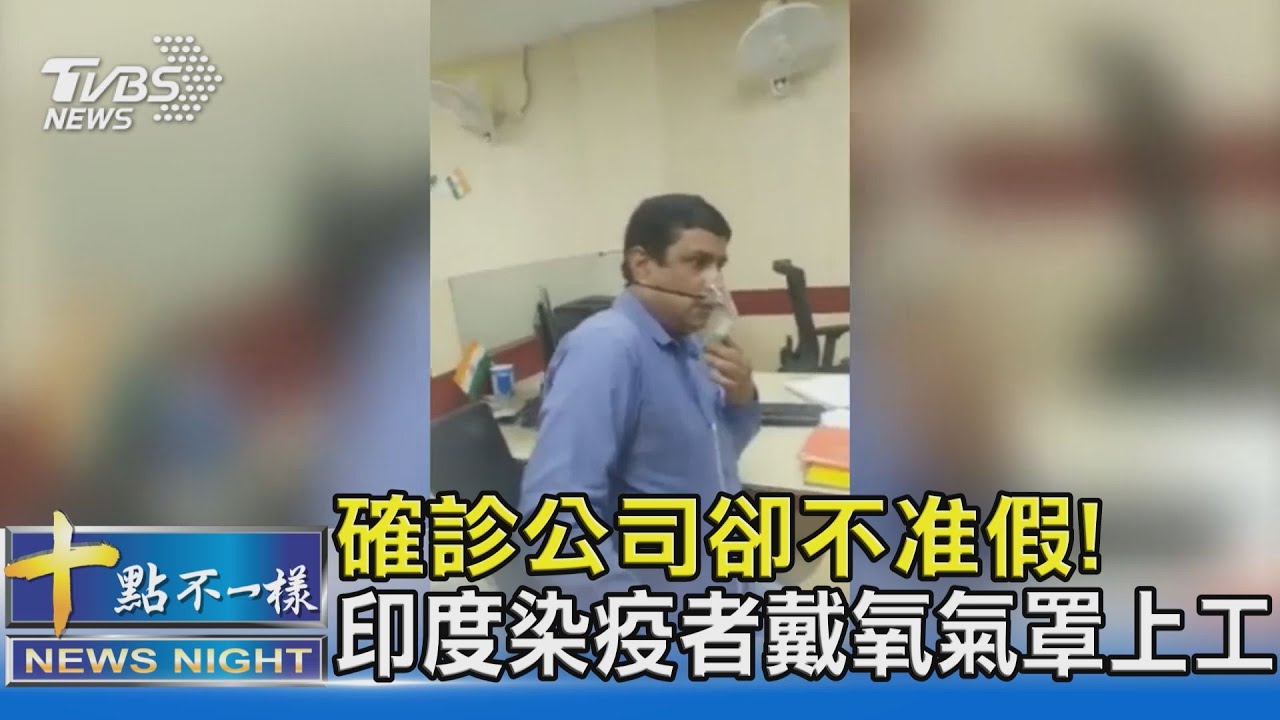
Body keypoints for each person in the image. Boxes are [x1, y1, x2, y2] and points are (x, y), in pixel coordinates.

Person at [518, 193, 762, 613]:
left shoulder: (688, 344)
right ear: (642, 265)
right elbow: (554, 516)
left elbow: (711, 457)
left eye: (720, 265)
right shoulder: (606, 349)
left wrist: (741, 400)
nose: (715, 285)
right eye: (698, 263)